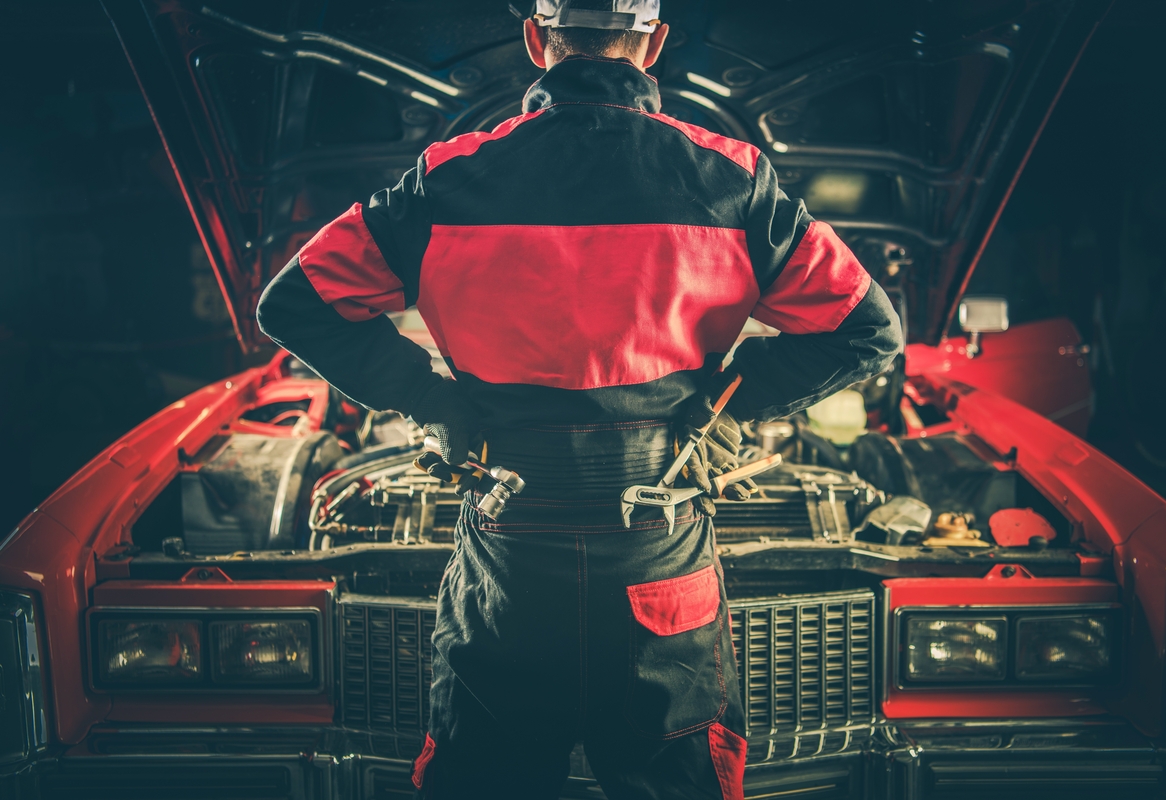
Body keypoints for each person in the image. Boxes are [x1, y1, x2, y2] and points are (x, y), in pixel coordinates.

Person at [256, 1, 903, 797]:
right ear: (655, 44)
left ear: (536, 40)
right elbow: (869, 330)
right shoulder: (734, 180)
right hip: (659, 556)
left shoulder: (443, 180)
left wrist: (437, 405)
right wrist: (728, 408)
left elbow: (291, 305)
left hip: (509, 561)